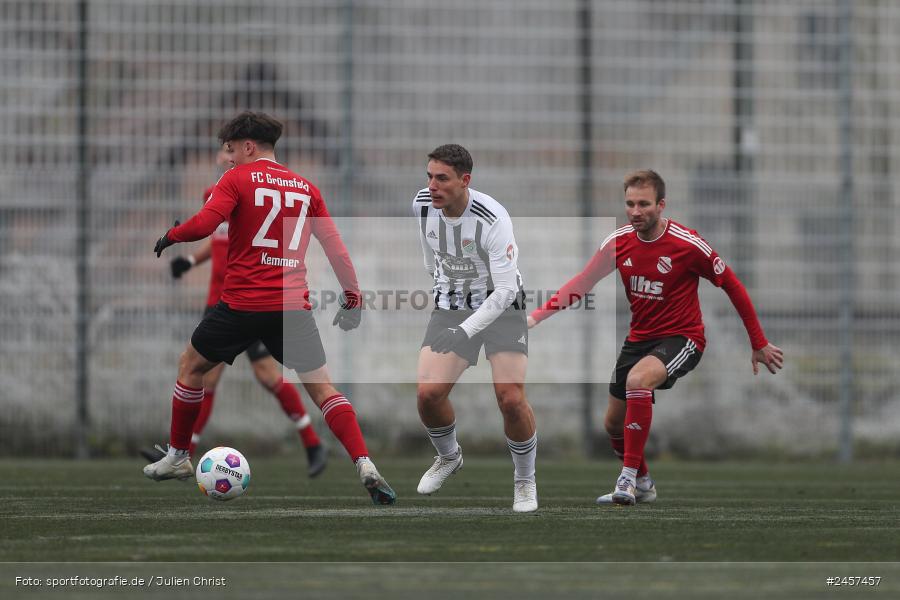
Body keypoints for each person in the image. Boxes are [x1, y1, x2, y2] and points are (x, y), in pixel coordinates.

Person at [144, 111, 395, 505]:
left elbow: (205, 224)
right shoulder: (306, 189)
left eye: (231, 150)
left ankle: (178, 456)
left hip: (241, 304)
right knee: (324, 389)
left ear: (247, 146)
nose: (229, 158)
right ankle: (363, 462)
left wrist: (171, 235)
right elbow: (335, 247)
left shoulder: (236, 179)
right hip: (292, 308)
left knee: (190, 366)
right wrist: (353, 296)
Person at [528, 169, 783, 506]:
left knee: (638, 380)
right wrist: (535, 316)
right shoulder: (618, 242)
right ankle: (645, 482)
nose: (636, 211)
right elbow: (582, 283)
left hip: (683, 338)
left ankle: (627, 480)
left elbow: (732, 285)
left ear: (661, 205)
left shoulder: (687, 244)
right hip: (639, 340)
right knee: (612, 425)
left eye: (644, 204)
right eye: (630, 204)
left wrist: (758, 341)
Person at [140, 145, 327, 478]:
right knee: (206, 378)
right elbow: (221, 240)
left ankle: (312, 443)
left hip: (248, 301)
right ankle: (182, 453)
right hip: (222, 301)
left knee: (266, 377)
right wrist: (190, 261)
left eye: (231, 149)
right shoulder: (215, 192)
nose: (226, 155)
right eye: (223, 150)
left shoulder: (253, 191)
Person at [413, 144, 538, 513]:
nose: (433, 186)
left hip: (503, 307)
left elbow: (504, 290)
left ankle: (524, 481)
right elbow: (429, 258)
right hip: (451, 307)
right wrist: (445, 303)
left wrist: (466, 331)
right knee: (428, 396)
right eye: (430, 176)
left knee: (511, 399)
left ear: (465, 180)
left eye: (442, 178)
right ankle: (449, 457)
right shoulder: (421, 204)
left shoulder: (492, 217)